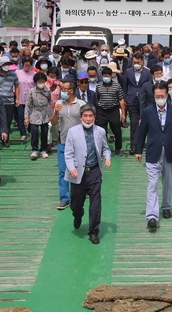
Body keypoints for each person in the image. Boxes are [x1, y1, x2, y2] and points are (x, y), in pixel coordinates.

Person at [135, 82, 172, 229]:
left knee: (168, 181)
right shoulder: (147, 111)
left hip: (170, 150)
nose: (160, 98)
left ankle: (166, 206)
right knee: (152, 184)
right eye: (157, 96)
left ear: (167, 95)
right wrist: (138, 150)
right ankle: (151, 216)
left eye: (162, 96)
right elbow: (142, 132)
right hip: (153, 150)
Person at [64, 104, 112, 245]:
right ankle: (78, 214)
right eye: (85, 116)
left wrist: (107, 157)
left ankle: (93, 231)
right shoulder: (72, 132)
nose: (88, 119)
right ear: (80, 117)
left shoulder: (100, 131)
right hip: (78, 173)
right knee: (76, 203)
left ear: (95, 117)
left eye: (91, 116)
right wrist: (72, 168)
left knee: (95, 203)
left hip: (94, 171)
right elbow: (68, 153)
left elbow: (105, 148)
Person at [50, 79, 86, 210]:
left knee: (80, 170)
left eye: (65, 89)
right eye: (62, 89)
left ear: (71, 91)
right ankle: (64, 198)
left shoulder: (81, 104)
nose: (62, 91)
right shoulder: (59, 103)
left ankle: (80, 193)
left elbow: (87, 122)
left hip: (79, 143)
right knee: (63, 171)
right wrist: (55, 112)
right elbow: (53, 123)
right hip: (63, 142)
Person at [122, 53, 151, 154]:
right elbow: (124, 86)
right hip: (132, 100)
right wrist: (125, 98)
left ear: (142, 62)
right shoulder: (128, 72)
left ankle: (144, 142)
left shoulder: (148, 73)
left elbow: (150, 87)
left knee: (145, 122)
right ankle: (134, 145)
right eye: (134, 62)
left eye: (138, 63)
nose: (136, 64)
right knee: (134, 124)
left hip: (145, 101)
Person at [95, 67, 126, 157]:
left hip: (113, 111)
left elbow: (121, 100)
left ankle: (117, 149)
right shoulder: (99, 86)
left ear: (111, 76)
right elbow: (97, 98)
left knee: (117, 131)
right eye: (104, 76)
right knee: (101, 132)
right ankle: (103, 150)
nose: (106, 78)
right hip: (102, 111)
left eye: (108, 76)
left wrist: (123, 113)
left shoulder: (117, 86)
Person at [0, 57, 19, 146]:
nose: (7, 66)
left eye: (8, 64)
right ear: (1, 66)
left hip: (9, 101)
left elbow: (17, 86)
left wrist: (17, 99)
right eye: (5, 64)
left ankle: (5, 139)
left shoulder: (13, 75)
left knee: (8, 121)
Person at [24, 72, 52, 160]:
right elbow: (28, 105)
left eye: (42, 81)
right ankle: (34, 149)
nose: (41, 83)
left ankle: (44, 149)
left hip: (45, 114)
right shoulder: (31, 91)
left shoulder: (47, 91)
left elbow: (49, 102)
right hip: (34, 114)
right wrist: (26, 117)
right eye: (39, 81)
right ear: (36, 82)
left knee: (44, 132)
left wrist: (50, 115)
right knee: (34, 132)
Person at [15, 58, 35, 142]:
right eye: (25, 65)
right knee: (20, 116)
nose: (27, 67)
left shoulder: (34, 74)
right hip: (20, 98)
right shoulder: (17, 73)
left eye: (29, 65)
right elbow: (15, 86)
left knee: (31, 116)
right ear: (22, 65)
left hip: (31, 99)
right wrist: (16, 98)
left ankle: (30, 131)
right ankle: (23, 133)